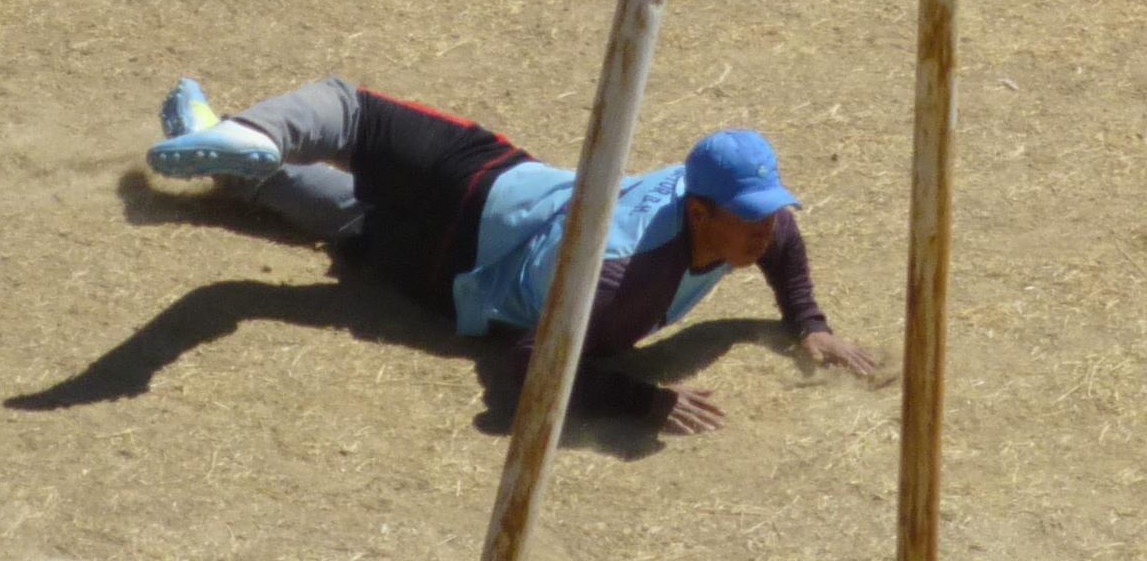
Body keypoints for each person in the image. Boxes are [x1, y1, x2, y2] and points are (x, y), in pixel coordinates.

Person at [147, 76, 885, 433]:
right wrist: (643, 400)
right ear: (700, 213)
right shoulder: (624, 277)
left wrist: (809, 323)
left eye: (769, 212)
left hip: (481, 210)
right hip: (458, 247)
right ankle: (233, 146)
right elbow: (531, 360)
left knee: (346, 116)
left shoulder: (733, 226)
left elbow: (783, 244)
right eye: (751, 218)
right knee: (352, 146)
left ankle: (242, 141)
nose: (767, 231)